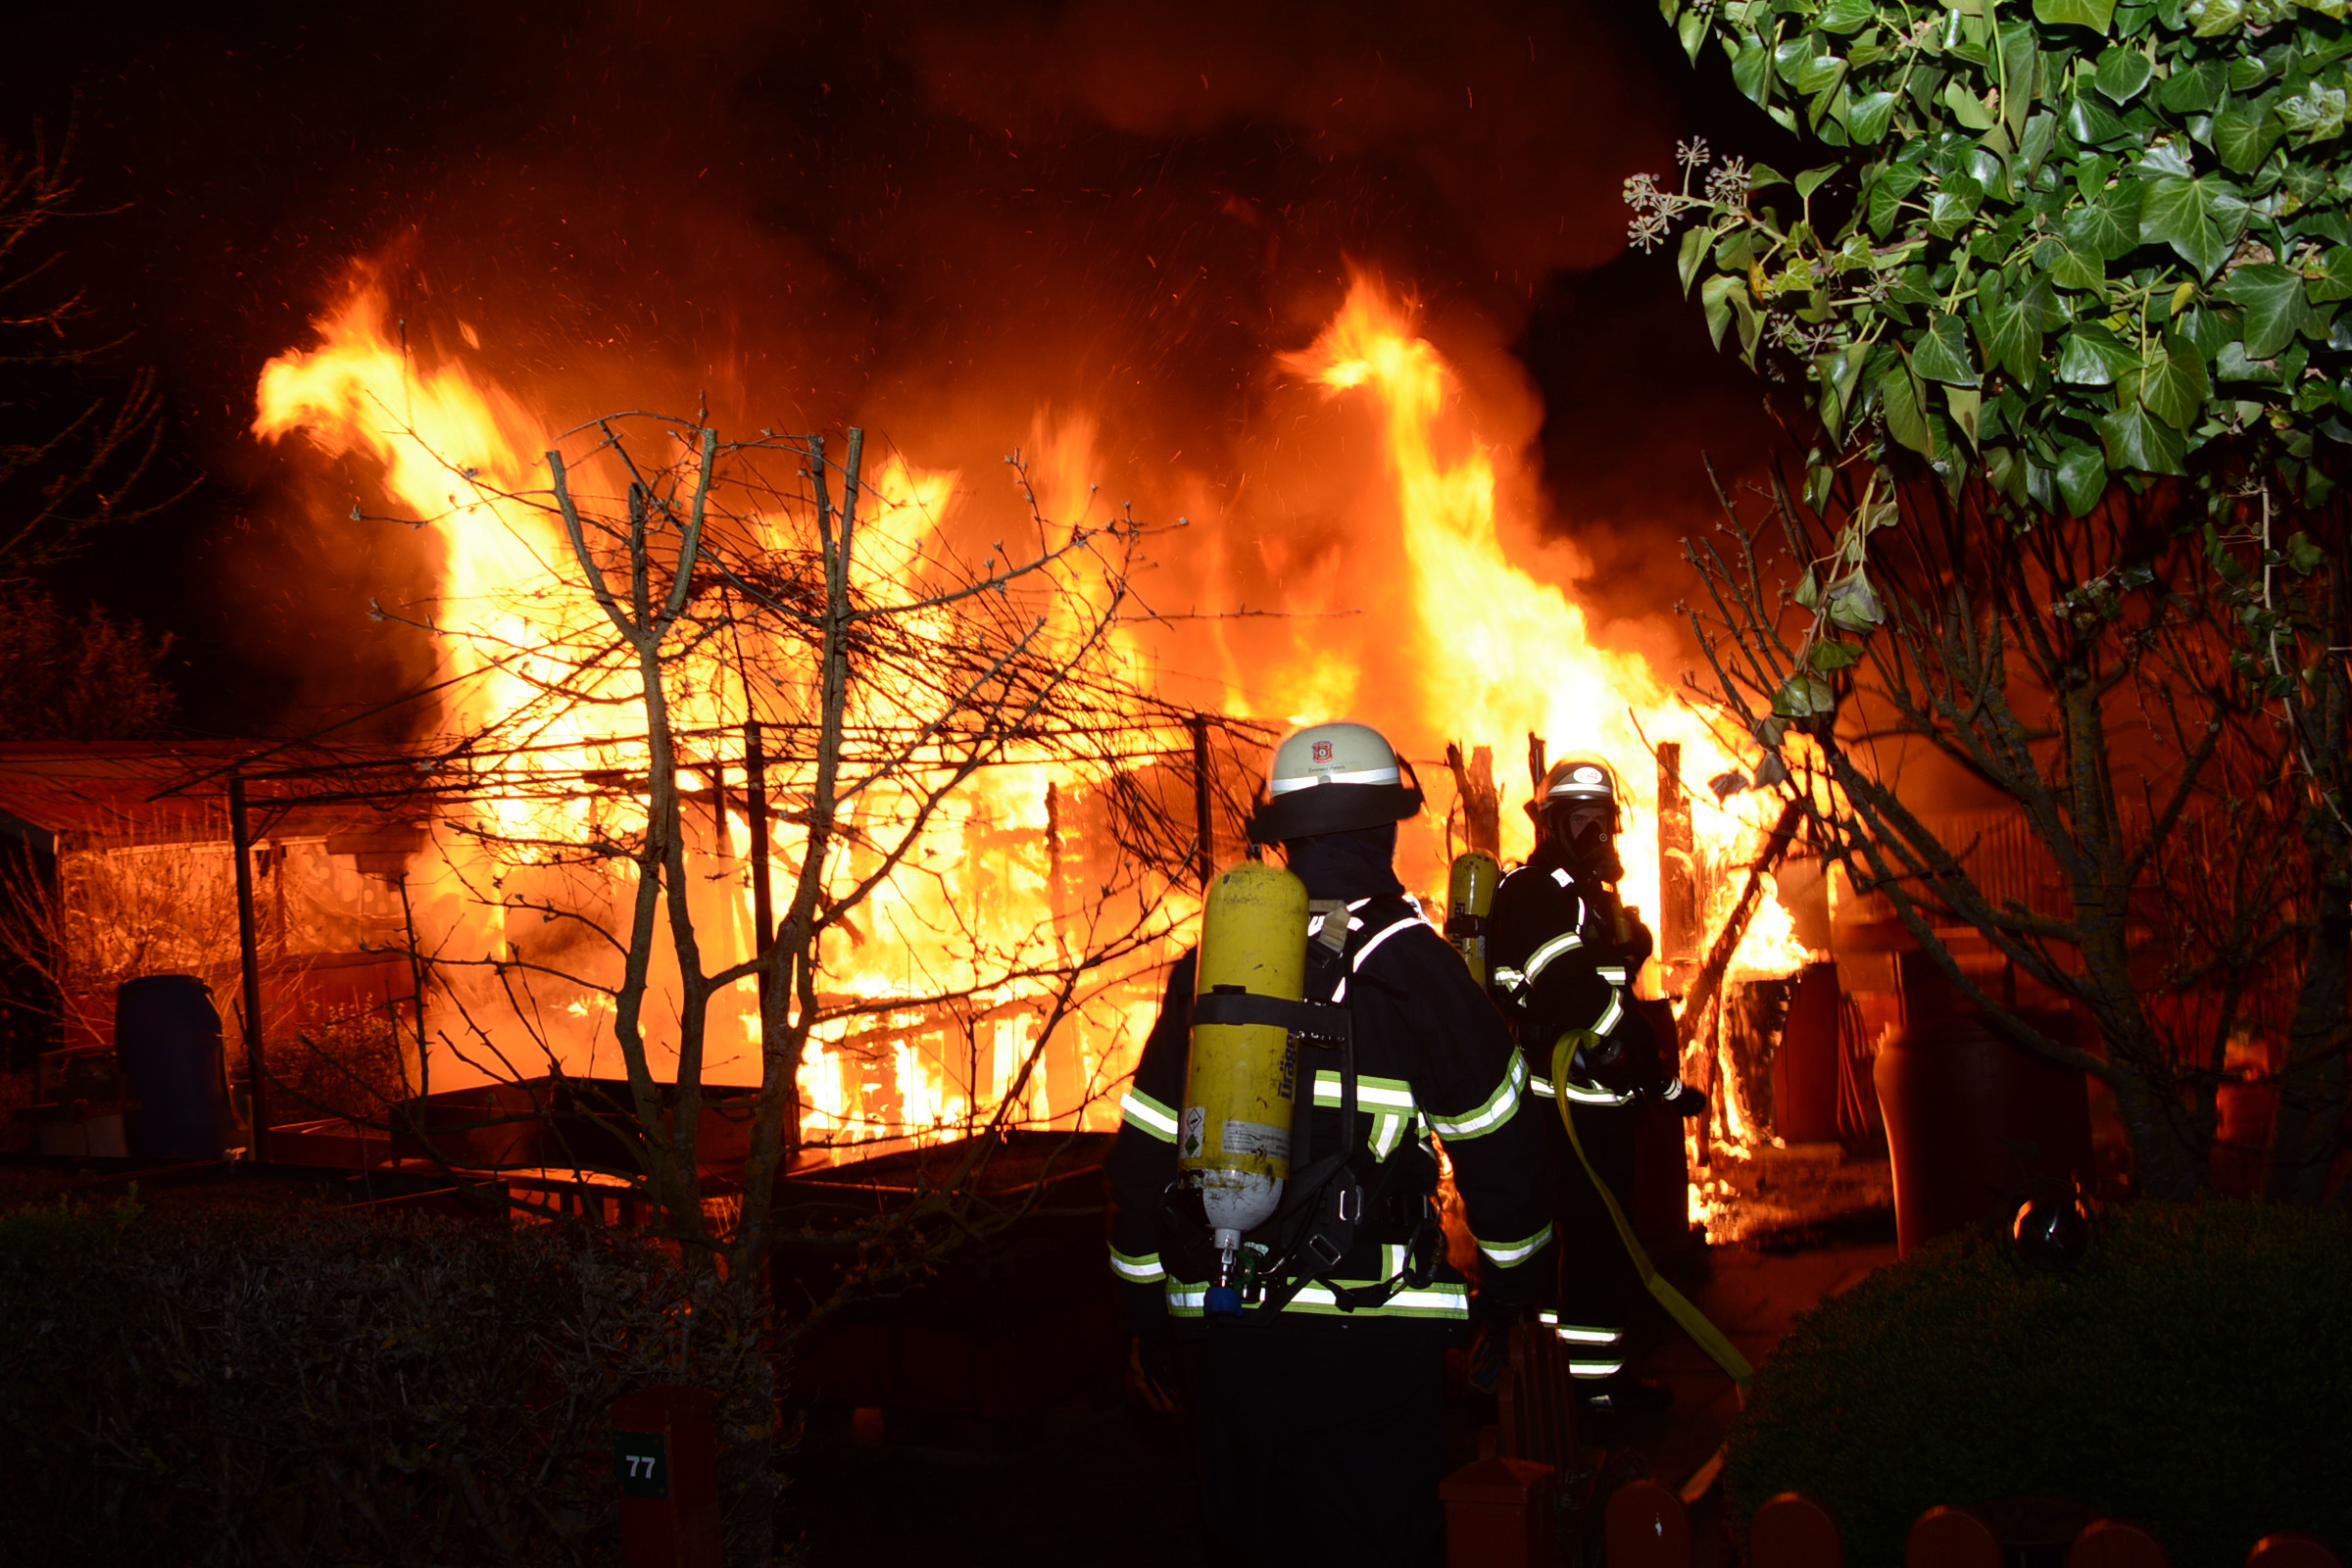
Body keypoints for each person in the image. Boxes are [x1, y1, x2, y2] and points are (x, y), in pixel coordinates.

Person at [1107, 720, 1553, 1568]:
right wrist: (1514, 1293)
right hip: (1371, 1345)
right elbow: (1503, 1147)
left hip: (1228, 1335)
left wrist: (1147, 1321)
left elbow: (1144, 1159)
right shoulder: (1419, 966)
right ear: (1388, 824)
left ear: (1280, 833)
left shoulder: (1209, 965)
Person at [1485, 754, 1704, 1419]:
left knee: (1597, 1246)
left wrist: (1663, 1090)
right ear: (1550, 822)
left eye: (1601, 818)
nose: (1595, 832)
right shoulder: (1532, 890)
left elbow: (1610, 1003)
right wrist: (1628, 1038)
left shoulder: (1586, 895)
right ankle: (1594, 1394)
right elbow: (1567, 985)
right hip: (1563, 1108)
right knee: (1592, 1248)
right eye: (1579, 818)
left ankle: (1572, 1385)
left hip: (1600, 1104)